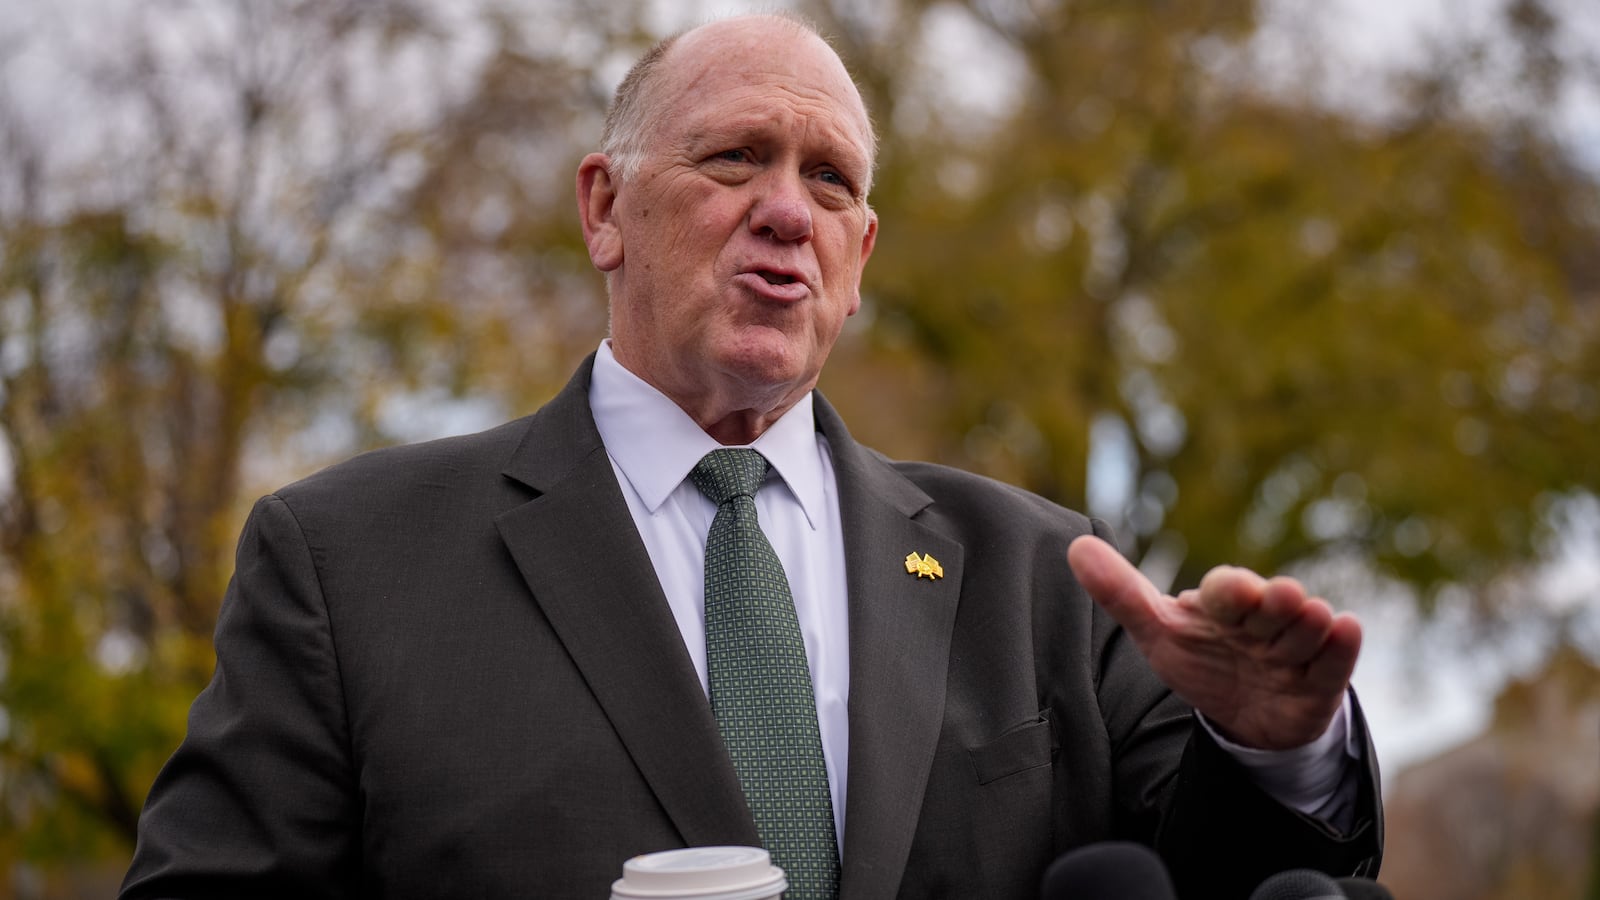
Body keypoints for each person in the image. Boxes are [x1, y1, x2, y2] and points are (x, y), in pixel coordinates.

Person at [121, 13, 1381, 899]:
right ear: (605, 209)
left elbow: (1231, 883)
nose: (788, 209)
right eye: (735, 159)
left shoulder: (1047, 573)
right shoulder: (349, 562)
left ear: (860, 259)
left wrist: (1276, 750)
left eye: (829, 181)